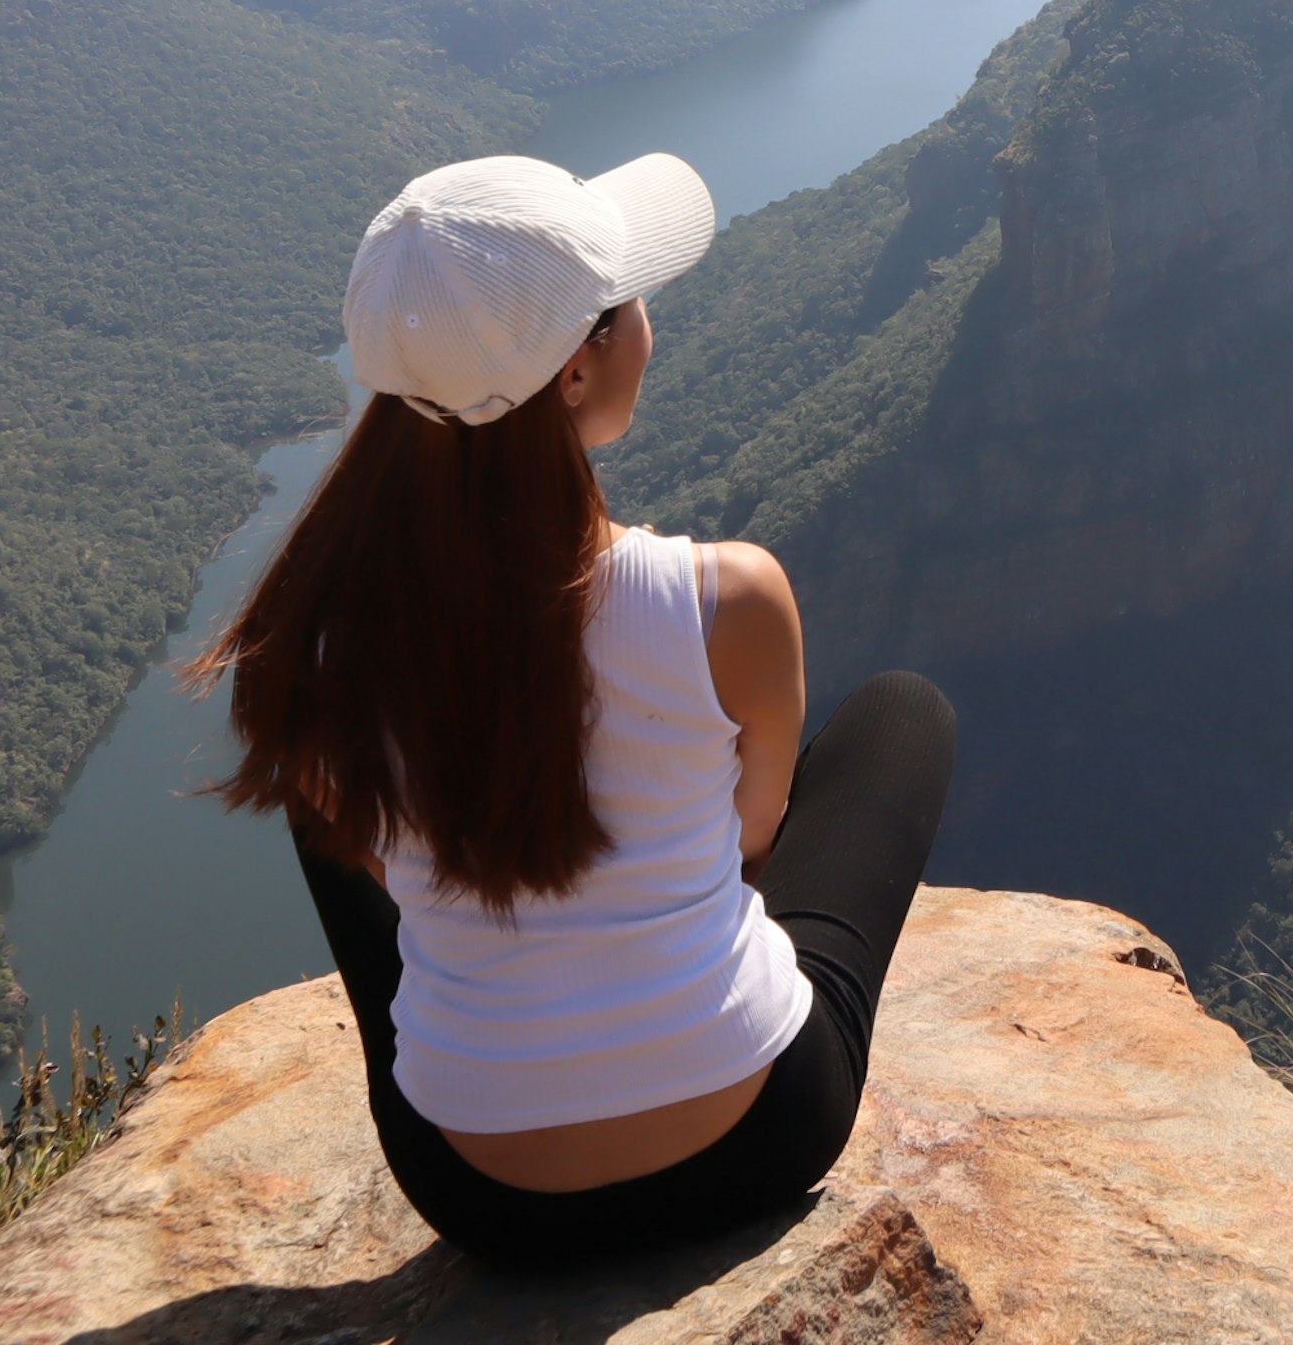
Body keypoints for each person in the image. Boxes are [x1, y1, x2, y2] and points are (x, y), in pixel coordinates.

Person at [191, 151, 954, 1269]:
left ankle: (497, 1044)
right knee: (905, 713)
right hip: (757, 1137)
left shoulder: (312, 646)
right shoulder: (726, 599)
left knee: (328, 824)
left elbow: (369, 837)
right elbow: (752, 837)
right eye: (628, 301)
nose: (649, 320)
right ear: (576, 374)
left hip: (478, 1193)